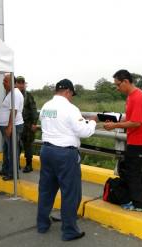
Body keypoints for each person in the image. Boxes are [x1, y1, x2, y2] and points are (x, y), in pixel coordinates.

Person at [37, 79, 96, 241]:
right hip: (65, 154)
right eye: (72, 95)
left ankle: (42, 224)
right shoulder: (71, 108)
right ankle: (69, 231)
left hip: (46, 151)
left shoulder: (46, 106)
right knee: (70, 192)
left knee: (46, 190)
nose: (72, 98)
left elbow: (47, 124)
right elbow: (83, 131)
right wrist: (92, 122)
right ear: (68, 92)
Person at [104, 69, 142, 211]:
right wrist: (115, 121)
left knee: (134, 173)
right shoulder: (131, 96)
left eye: (118, 84)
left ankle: (139, 204)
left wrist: (115, 125)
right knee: (137, 171)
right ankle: (141, 198)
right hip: (136, 140)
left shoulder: (137, 97)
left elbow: (137, 122)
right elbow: (131, 118)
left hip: (140, 141)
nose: (117, 88)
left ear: (126, 81)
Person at [0, 73, 24, 181]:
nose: (3, 83)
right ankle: (6, 169)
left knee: (12, 150)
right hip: (8, 126)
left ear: (12, 82)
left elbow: (14, 111)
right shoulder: (10, 93)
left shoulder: (15, 94)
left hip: (13, 126)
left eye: (5, 81)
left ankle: (13, 173)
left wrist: (9, 127)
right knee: (7, 148)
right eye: (3, 81)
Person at [15, 76, 38, 173]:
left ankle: (29, 165)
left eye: (22, 83)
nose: (20, 85)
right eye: (18, 83)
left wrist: (34, 123)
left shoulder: (28, 96)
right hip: (17, 125)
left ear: (24, 84)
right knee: (17, 145)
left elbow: (34, 111)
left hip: (27, 126)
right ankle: (16, 164)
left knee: (28, 146)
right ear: (15, 84)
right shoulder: (14, 95)